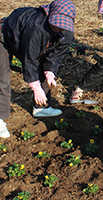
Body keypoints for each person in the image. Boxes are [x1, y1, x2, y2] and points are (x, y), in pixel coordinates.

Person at [0, 0, 76, 138]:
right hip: (5, 37)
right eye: (56, 24)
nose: (59, 28)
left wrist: (50, 72)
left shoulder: (67, 34)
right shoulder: (36, 27)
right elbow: (29, 57)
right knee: (2, 78)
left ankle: (41, 108)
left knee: (43, 71)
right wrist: (35, 87)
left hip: (25, 43)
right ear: (50, 15)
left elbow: (54, 56)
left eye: (62, 25)